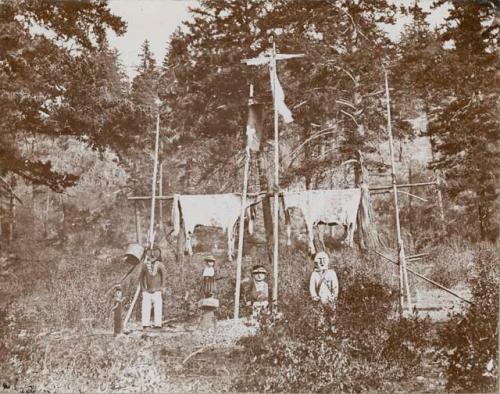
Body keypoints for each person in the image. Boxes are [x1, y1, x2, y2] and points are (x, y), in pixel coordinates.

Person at [309, 251, 339, 332]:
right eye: (320, 260)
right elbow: (312, 288)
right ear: (316, 262)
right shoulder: (314, 274)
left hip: (330, 299)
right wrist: (314, 296)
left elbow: (335, 287)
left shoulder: (332, 273)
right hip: (319, 300)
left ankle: (333, 333)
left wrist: (334, 296)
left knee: (332, 317)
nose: (322, 262)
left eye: (323, 260)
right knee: (320, 318)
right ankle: (321, 334)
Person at [139, 246, 167, 330]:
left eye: (154, 254)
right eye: (150, 254)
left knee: (158, 307)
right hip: (147, 291)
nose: (152, 256)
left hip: (157, 291)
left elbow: (164, 277)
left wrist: (162, 287)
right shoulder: (145, 265)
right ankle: (145, 324)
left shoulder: (160, 265)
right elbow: (141, 277)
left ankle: (158, 325)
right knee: (145, 308)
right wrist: (143, 288)